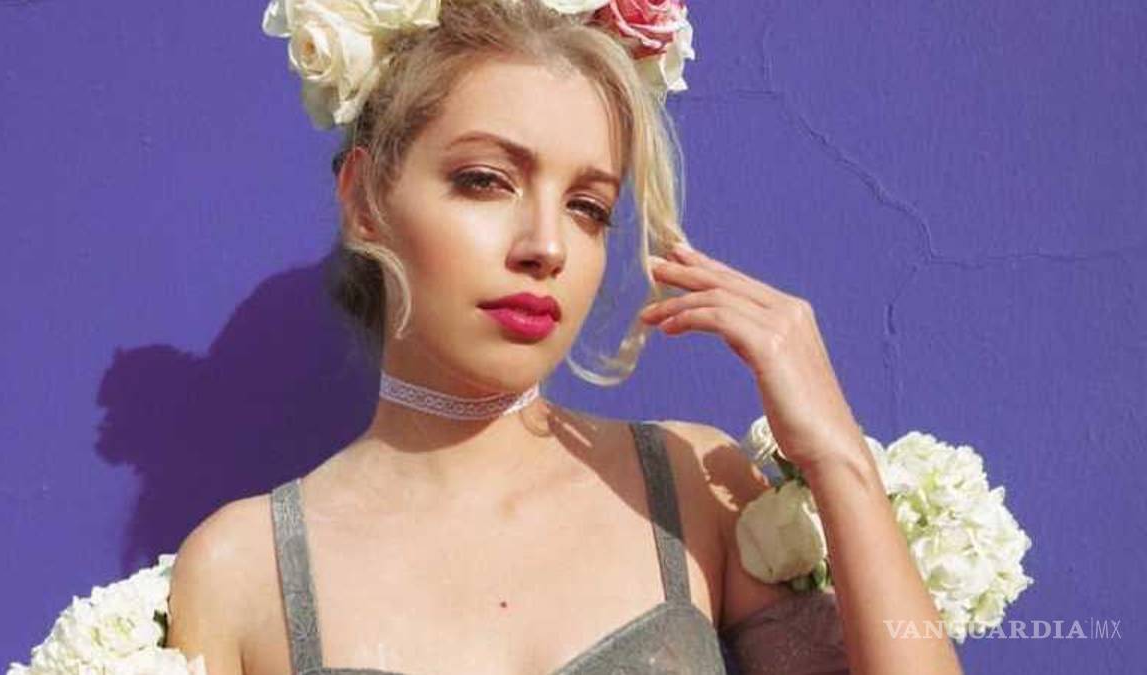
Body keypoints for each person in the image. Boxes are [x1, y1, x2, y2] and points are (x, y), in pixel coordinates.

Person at [165, 2, 963, 674]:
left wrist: (837, 459)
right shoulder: (244, 572)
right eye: (486, 180)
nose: (547, 245)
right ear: (364, 199)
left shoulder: (693, 486)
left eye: (588, 207)